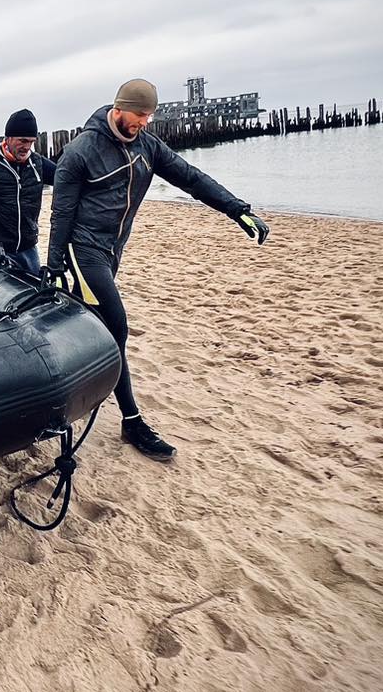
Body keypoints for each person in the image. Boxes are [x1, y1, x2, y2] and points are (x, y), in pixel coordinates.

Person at [46, 79, 270, 462]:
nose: (144, 123)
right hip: (82, 251)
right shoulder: (82, 151)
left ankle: (63, 391)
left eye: (149, 116)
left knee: (93, 327)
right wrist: (53, 264)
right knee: (116, 329)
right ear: (120, 108)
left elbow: (190, 178)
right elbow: (62, 212)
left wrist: (237, 209)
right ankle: (131, 421)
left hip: (112, 251)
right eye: (140, 115)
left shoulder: (148, 146)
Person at [0, 109, 56, 273]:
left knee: (35, 295)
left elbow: (66, 178)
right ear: (8, 138)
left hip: (29, 249)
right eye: (22, 141)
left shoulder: (38, 163)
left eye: (31, 141)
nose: (27, 147)